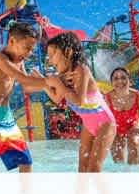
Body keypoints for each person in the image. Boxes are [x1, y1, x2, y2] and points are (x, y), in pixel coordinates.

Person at [0, 22, 47, 173]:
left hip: (6, 117)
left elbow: (27, 87)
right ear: (12, 41)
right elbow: (24, 79)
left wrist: (46, 86)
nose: (30, 53)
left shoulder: (20, 61)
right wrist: (52, 81)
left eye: (32, 49)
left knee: (25, 162)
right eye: (27, 47)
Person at [41, 32, 116, 172]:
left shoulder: (81, 69)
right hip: (89, 125)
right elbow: (57, 99)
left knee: (94, 167)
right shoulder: (63, 77)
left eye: (52, 55)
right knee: (82, 167)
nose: (50, 61)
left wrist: (59, 84)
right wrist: (45, 84)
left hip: (106, 123)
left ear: (68, 52)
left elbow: (80, 101)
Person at [105, 67, 139, 165]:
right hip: (115, 128)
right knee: (118, 158)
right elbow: (102, 123)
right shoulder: (106, 99)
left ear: (130, 81)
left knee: (134, 144)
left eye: (123, 78)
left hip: (133, 126)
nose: (120, 81)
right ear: (111, 83)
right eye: (116, 78)